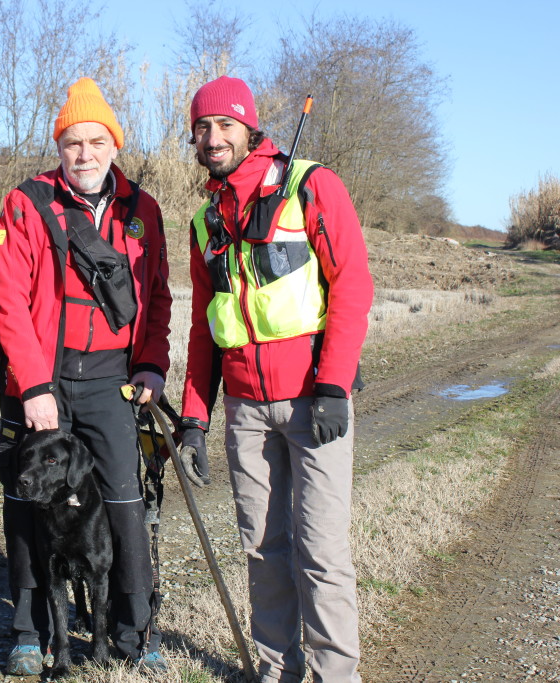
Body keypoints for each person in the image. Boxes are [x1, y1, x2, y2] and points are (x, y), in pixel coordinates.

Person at [179, 75, 373, 682]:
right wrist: (192, 416)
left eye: (225, 125)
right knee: (263, 552)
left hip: (314, 399)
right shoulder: (205, 221)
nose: (213, 138)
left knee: (321, 553)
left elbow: (353, 287)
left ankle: (336, 675)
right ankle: (276, 672)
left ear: (250, 128)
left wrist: (336, 384)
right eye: (202, 128)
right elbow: (204, 327)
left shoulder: (311, 185)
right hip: (244, 410)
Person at [0, 77, 173, 674]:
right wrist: (35, 384)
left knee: (123, 499)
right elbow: (9, 300)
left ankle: (134, 629)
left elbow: (157, 297)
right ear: (60, 147)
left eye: (97, 140)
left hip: (110, 379)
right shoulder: (28, 202)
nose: (85, 153)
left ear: (114, 145)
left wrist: (150, 362)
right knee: (26, 499)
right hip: (41, 375)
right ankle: (27, 631)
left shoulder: (142, 210)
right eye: (73, 142)